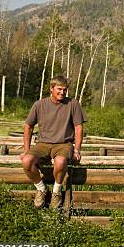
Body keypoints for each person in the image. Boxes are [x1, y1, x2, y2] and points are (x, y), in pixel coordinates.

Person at [20, 75, 86, 209]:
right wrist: (26, 149)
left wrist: (77, 149)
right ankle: (41, 189)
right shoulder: (39, 105)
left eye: (65, 90)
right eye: (59, 89)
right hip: (42, 144)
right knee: (26, 160)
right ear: (51, 88)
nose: (62, 92)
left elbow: (79, 127)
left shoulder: (73, 104)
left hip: (63, 144)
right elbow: (28, 126)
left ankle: (56, 192)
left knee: (60, 162)